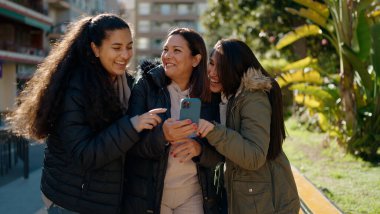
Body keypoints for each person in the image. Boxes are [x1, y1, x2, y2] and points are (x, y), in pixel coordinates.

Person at [6, 14, 166, 214]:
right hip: (71, 203)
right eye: (116, 48)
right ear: (95, 49)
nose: (125, 55)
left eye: (129, 46)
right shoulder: (76, 87)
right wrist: (132, 126)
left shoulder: (125, 83)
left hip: (104, 201)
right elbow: (85, 154)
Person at [123, 28, 224, 214]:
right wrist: (162, 136)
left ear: (195, 59)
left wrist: (199, 150)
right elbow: (130, 144)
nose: (167, 56)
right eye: (165, 50)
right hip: (153, 197)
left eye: (176, 51)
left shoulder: (209, 95)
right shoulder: (146, 86)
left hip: (193, 195)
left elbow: (220, 151)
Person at [197, 39, 301, 214]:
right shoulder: (227, 95)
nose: (212, 72)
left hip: (267, 201)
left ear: (235, 69)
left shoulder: (253, 98)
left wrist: (214, 132)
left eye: (220, 67)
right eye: (212, 63)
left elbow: (254, 156)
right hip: (251, 197)